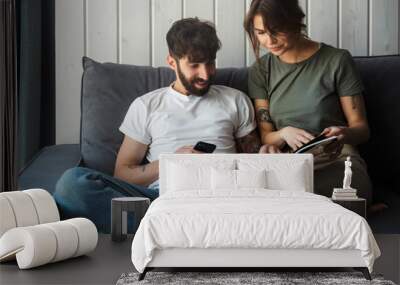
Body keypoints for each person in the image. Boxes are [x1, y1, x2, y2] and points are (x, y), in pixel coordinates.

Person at [54, 18, 268, 233]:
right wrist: (171, 163)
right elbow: (123, 173)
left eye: (210, 63)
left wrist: (270, 151)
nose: (205, 74)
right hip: (161, 199)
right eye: (194, 65)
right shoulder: (147, 106)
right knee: (72, 184)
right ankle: (179, 226)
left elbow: (254, 160)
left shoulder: (235, 100)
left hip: (221, 196)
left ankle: (165, 228)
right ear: (172, 62)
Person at [243, 0, 373, 204]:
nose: (269, 41)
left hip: (335, 158)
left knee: (350, 185)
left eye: (276, 31)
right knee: (268, 189)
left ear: (295, 23)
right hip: (290, 162)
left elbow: (362, 129)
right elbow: (266, 136)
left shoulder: (337, 60)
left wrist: (343, 133)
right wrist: (284, 133)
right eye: (260, 33)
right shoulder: (261, 70)